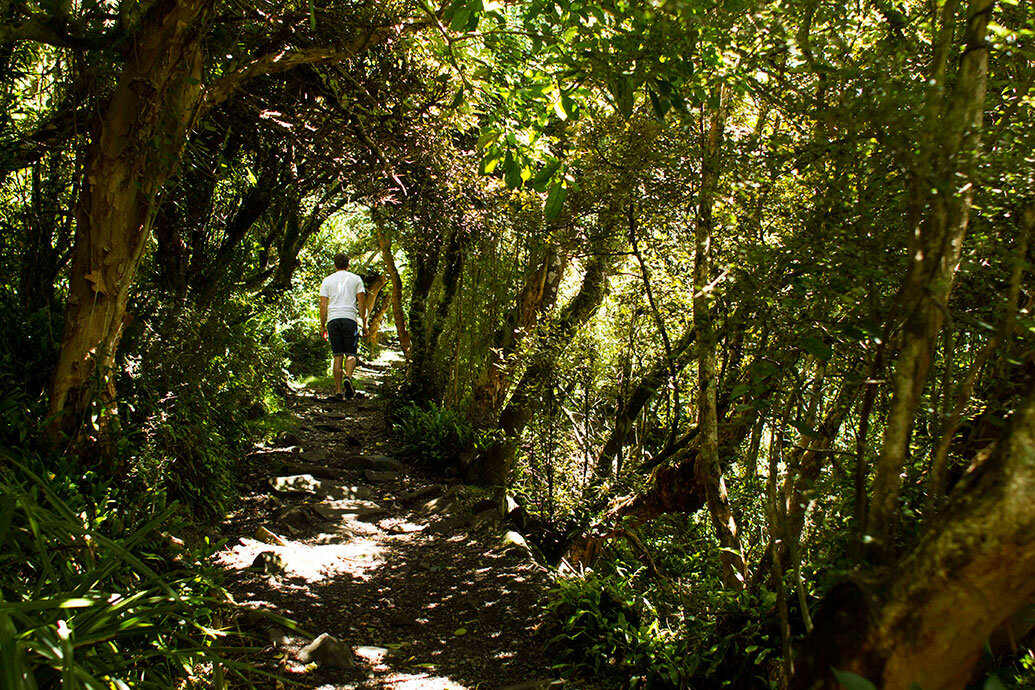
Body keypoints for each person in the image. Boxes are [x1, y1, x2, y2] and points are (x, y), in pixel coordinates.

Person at [319, 253, 366, 400]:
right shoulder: (356, 279)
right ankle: (348, 377)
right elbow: (362, 303)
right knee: (351, 353)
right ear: (348, 264)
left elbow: (323, 304)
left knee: (337, 355)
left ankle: (339, 392)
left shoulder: (327, 281)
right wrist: (364, 323)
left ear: (334, 265)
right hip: (349, 319)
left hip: (333, 319)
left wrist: (322, 325)